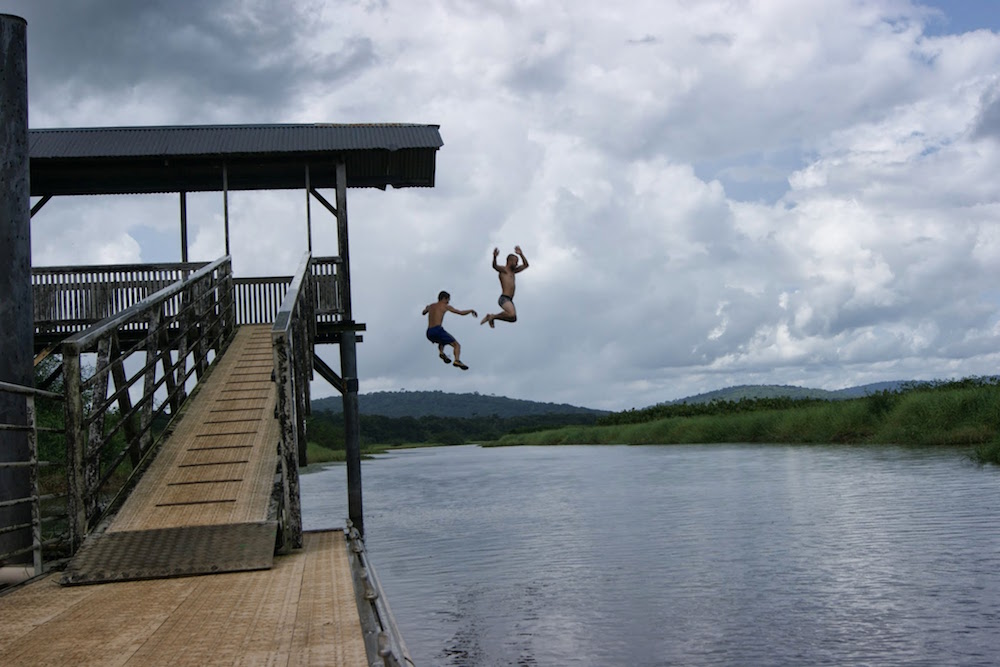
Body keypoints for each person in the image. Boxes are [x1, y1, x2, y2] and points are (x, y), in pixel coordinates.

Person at [423, 291, 477, 370]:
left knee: (442, 341)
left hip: (429, 332)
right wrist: (471, 310)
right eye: (448, 300)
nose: (448, 302)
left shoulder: (431, 306)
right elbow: (460, 312)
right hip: (438, 329)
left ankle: (441, 353)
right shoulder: (445, 306)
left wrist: (426, 309)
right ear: (444, 298)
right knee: (457, 345)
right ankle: (457, 360)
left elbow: (423, 312)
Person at [481, 245, 529, 328]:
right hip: (504, 298)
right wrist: (494, 257)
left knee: (513, 318)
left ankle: (492, 316)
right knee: (512, 314)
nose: (517, 264)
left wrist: (521, 254)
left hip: (509, 299)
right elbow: (495, 266)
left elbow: (526, 265)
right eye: (515, 261)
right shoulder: (503, 270)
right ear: (510, 261)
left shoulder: (514, 272)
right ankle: (492, 316)